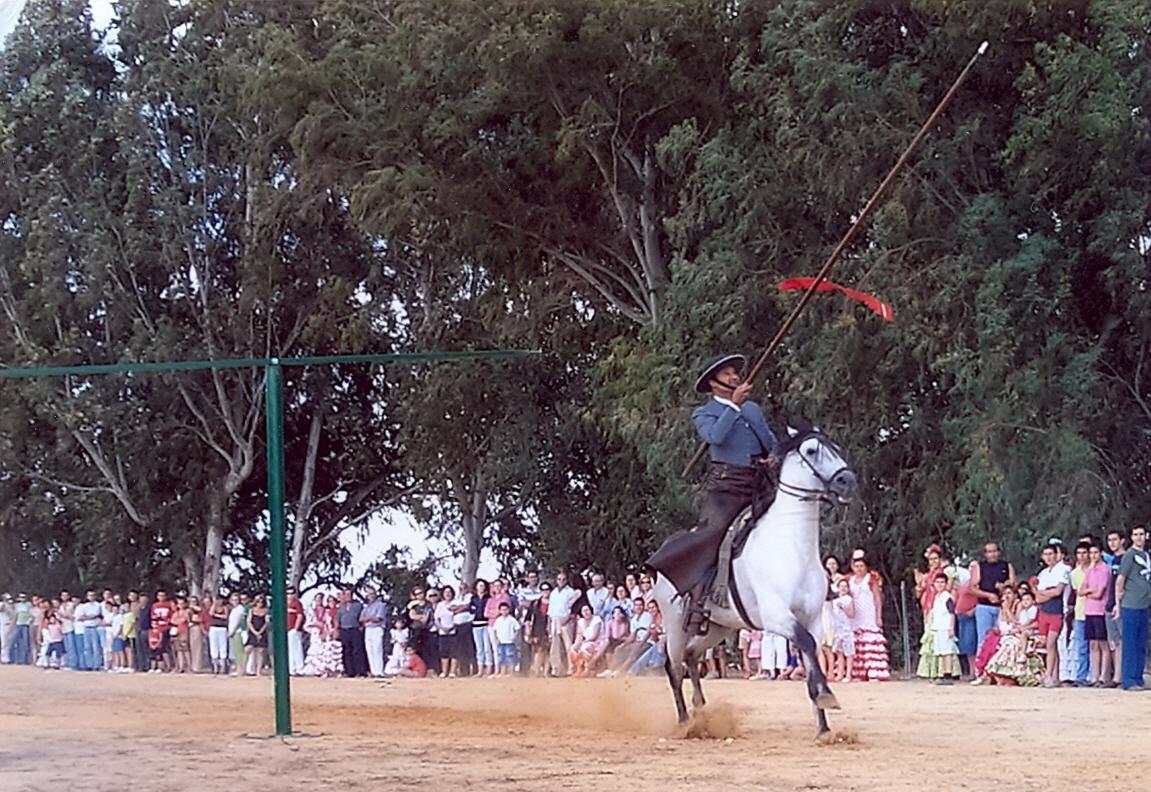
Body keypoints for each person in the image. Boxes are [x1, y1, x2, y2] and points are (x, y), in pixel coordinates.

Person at [647, 354, 778, 632]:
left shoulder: (752, 408)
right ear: (713, 383)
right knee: (713, 533)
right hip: (726, 485)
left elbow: (768, 441)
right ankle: (697, 600)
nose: (735, 377)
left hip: (760, 482)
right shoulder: (704, 412)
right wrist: (734, 406)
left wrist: (774, 455)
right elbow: (715, 437)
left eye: (734, 372)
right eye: (728, 373)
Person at [1114, 524, 1150, 691]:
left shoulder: (1146, 555)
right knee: (1130, 642)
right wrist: (1117, 603)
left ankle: (1138, 677)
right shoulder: (1129, 555)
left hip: (1145, 604)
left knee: (1141, 643)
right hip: (1131, 604)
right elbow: (1120, 580)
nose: (1139, 537)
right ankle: (1128, 680)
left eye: (1141, 534)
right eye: (1135, 534)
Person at [847, 550, 890, 681]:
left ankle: (874, 672)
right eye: (857, 566)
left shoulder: (871, 579)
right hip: (855, 614)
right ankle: (858, 672)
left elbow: (877, 598)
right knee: (856, 640)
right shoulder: (849, 580)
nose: (859, 569)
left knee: (870, 638)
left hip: (868, 612)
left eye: (862, 566)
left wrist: (879, 616)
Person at [970, 542, 1015, 652]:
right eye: (989, 552)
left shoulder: (1006, 566)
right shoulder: (980, 566)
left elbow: (1013, 584)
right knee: (984, 637)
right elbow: (972, 588)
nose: (993, 554)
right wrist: (988, 595)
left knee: (1002, 637)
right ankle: (981, 666)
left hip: (1002, 607)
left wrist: (1003, 587)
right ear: (985, 554)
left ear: (998, 552)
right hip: (984, 606)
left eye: (994, 551)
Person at [1035, 543, 1069, 688]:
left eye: (1051, 554)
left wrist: (1044, 594)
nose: (1048, 557)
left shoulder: (1064, 569)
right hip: (1045, 611)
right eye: (1046, 554)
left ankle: (1049, 675)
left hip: (1057, 610)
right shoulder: (1043, 573)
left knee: (1051, 643)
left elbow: (1058, 591)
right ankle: (1054, 676)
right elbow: (1037, 597)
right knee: (1048, 645)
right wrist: (1046, 594)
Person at [1080, 541, 1112, 686]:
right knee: (1092, 644)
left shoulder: (1105, 570)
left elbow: (1099, 593)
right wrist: (1089, 591)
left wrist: (1089, 591)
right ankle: (1094, 675)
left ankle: (1103, 676)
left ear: (1101, 553)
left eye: (1095, 553)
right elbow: (1080, 590)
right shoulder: (1090, 570)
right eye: (1091, 553)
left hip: (1100, 610)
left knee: (1102, 643)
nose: (1093, 556)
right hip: (1089, 610)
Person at [927, 574, 957, 685]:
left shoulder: (947, 597)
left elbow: (952, 613)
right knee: (941, 652)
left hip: (945, 627)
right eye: (937, 582)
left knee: (947, 652)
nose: (939, 584)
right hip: (938, 627)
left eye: (942, 582)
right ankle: (944, 673)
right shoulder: (937, 597)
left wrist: (951, 628)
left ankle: (948, 675)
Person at [567, 603, 605, 677]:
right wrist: (577, 643)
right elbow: (579, 634)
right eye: (584, 611)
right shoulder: (581, 621)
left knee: (585, 647)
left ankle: (587, 669)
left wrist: (582, 643)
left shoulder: (597, 619)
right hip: (586, 641)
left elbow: (595, 636)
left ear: (591, 610)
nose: (586, 612)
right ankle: (577, 669)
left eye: (587, 610)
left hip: (597, 642)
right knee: (573, 648)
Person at [336, 588, 366, 678]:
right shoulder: (341, 607)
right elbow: (337, 619)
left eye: (350, 594)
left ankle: (360, 671)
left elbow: (362, 616)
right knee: (346, 651)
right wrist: (336, 629)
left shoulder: (358, 605)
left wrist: (362, 627)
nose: (348, 597)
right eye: (346, 595)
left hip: (355, 629)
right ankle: (349, 671)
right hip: (344, 630)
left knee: (358, 650)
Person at [830, 578, 855, 682]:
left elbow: (852, 614)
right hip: (837, 628)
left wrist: (844, 609)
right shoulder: (834, 600)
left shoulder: (849, 600)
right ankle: (840, 673)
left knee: (848, 652)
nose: (843, 588)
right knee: (839, 652)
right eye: (841, 586)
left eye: (845, 586)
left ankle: (848, 674)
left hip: (846, 628)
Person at [358, 587, 385, 678]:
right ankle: (373, 671)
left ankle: (379, 671)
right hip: (368, 629)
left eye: (372, 594)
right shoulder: (366, 606)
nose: (371, 596)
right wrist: (370, 618)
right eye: (369, 594)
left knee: (377, 649)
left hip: (377, 628)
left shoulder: (381, 605)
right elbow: (361, 618)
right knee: (370, 650)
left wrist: (368, 618)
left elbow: (378, 618)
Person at [243, 595, 270, 677]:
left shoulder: (266, 611)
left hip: (262, 632)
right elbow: (249, 621)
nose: (259, 603)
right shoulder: (251, 610)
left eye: (261, 602)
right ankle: (243, 669)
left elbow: (266, 622)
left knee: (260, 651)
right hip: (253, 631)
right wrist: (254, 632)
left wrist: (260, 632)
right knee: (247, 649)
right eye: (258, 601)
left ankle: (258, 671)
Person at [491, 602, 520, 677]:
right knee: (502, 657)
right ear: (500, 611)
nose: (504, 611)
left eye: (506, 609)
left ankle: (511, 673)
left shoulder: (512, 619)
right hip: (501, 642)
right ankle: (503, 672)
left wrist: (514, 638)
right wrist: (496, 639)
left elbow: (517, 628)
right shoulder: (498, 620)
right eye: (502, 610)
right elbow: (494, 629)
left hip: (510, 642)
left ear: (509, 610)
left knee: (510, 657)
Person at [286, 587, 308, 676]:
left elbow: (300, 616)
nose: (290, 595)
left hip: (294, 630)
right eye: (288, 593)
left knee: (297, 649)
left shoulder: (297, 603)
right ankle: (292, 669)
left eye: (292, 593)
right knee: (290, 650)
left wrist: (296, 628)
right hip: (287, 629)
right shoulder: (286, 604)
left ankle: (300, 668)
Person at [207, 595, 230, 674]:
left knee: (222, 646)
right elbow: (210, 613)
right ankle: (215, 667)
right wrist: (214, 604)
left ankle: (223, 666)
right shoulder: (213, 607)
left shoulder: (224, 608)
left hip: (222, 628)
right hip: (213, 628)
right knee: (213, 646)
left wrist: (216, 615)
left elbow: (225, 616)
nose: (219, 601)